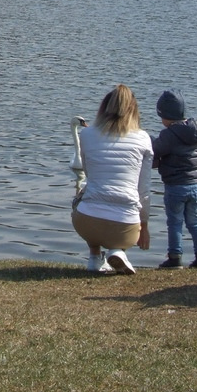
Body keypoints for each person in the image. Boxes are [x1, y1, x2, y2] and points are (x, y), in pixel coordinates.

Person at [71, 84, 153, 274]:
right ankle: (117, 250)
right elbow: (144, 189)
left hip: (87, 222)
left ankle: (93, 257)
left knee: (85, 194)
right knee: (125, 207)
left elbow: (89, 174)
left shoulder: (87, 134)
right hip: (126, 224)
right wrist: (144, 225)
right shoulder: (143, 138)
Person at [152, 89, 197, 269]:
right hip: (196, 185)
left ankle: (175, 257)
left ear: (166, 116)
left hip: (175, 186)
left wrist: (147, 138)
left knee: (175, 222)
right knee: (195, 222)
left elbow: (156, 150)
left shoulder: (169, 135)